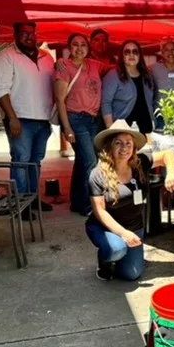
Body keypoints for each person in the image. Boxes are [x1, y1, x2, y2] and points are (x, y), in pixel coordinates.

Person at [86, 120, 174, 281]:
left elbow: (167, 154)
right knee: (116, 249)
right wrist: (123, 234)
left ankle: (124, 256)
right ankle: (105, 260)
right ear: (109, 146)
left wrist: (171, 173)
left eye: (128, 143)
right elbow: (99, 211)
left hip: (135, 227)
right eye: (118, 143)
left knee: (131, 274)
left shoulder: (139, 163)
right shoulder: (97, 174)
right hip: (105, 228)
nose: (124, 148)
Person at [0, 22, 54, 217]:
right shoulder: (6, 56)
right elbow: (0, 90)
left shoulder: (47, 58)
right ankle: (20, 206)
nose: (29, 37)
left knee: (35, 162)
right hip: (20, 120)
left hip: (43, 119)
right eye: (24, 33)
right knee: (21, 161)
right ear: (15, 34)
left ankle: (33, 198)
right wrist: (12, 118)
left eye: (32, 33)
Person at [54, 33, 110, 215]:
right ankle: (90, 206)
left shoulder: (94, 65)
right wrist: (67, 128)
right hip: (75, 119)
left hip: (93, 120)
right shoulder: (64, 67)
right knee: (90, 163)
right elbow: (60, 100)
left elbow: (116, 69)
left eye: (83, 45)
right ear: (69, 47)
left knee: (82, 162)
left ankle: (77, 203)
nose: (80, 48)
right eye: (75, 45)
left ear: (88, 47)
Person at [101, 40, 155, 135]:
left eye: (135, 52)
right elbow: (106, 102)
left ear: (139, 55)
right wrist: (110, 127)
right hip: (121, 128)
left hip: (146, 128)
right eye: (127, 52)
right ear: (122, 56)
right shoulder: (113, 75)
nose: (131, 55)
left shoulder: (147, 75)